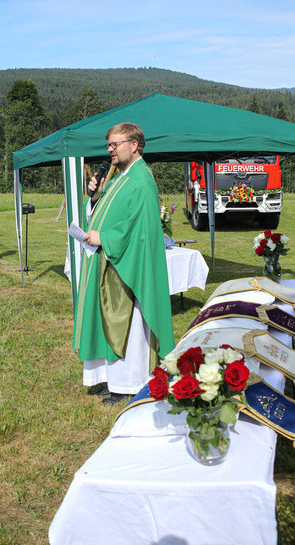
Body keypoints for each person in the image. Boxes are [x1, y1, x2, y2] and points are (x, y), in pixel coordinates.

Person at [77, 122, 174, 405]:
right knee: (108, 320)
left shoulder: (141, 180)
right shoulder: (121, 177)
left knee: (126, 324)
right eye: (108, 144)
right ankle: (111, 380)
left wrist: (104, 238)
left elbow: (139, 229)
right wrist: (94, 197)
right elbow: (104, 212)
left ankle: (128, 384)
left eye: (115, 144)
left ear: (134, 145)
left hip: (126, 264)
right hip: (108, 259)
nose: (110, 150)